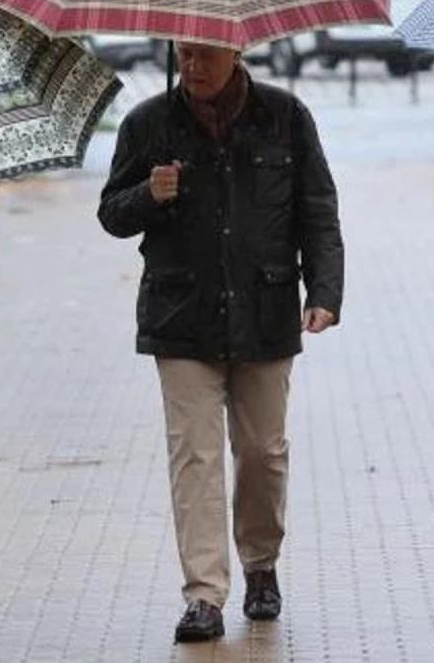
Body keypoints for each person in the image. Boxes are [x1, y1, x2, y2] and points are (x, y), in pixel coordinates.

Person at [98, 41, 343, 643]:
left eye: (205, 53)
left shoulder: (285, 116)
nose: (193, 65)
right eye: (184, 54)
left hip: (265, 309)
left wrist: (325, 292)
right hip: (182, 315)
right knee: (195, 457)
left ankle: (261, 564)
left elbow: (317, 210)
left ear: (235, 50)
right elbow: (111, 214)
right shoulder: (147, 124)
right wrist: (147, 195)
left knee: (263, 452)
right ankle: (204, 594)